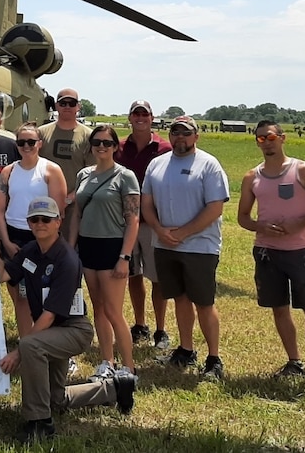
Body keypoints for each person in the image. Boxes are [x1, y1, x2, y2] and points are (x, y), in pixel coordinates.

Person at [0, 197, 137, 443]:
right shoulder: (30, 251)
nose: (40, 224)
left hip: (73, 330)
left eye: (46, 219)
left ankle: (40, 423)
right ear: (28, 223)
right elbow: (4, 274)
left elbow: (49, 315)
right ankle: (115, 389)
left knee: (30, 345)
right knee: (55, 399)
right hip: (53, 331)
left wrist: (19, 352)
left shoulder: (67, 260)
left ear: (58, 222)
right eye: (34, 219)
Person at [237, 120, 305, 391]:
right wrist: (260, 226)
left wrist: (300, 222)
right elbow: (243, 218)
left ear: (282, 138)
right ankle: (294, 362)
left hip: (300, 252)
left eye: (270, 137)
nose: (266, 142)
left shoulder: (302, 170)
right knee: (279, 309)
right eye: (260, 139)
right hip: (267, 253)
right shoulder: (252, 177)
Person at [141, 115, 230, 380]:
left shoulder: (208, 165)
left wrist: (183, 233)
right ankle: (186, 349)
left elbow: (215, 207)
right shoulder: (157, 164)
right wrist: (158, 229)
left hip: (199, 247)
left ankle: (213, 358)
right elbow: (146, 202)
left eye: (186, 133)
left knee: (204, 302)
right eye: (175, 132)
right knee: (179, 298)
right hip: (165, 244)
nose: (180, 137)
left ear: (196, 136)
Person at [68, 124, 140, 381]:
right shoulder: (83, 175)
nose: (101, 147)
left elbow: (133, 220)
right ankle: (106, 360)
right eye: (97, 142)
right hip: (88, 246)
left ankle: (129, 367)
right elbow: (77, 213)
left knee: (113, 310)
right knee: (98, 308)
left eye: (107, 143)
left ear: (115, 147)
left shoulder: (125, 176)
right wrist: (71, 246)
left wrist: (125, 257)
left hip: (113, 247)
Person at [0, 123, 67, 336]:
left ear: (39, 144)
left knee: (44, 294)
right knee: (20, 296)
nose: (26, 146)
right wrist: (6, 242)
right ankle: (27, 344)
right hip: (14, 237)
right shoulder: (8, 172)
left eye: (31, 142)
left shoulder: (51, 170)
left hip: (42, 239)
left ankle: (52, 341)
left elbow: (58, 211)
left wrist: (44, 244)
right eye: (21, 142)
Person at [115, 99, 173, 350]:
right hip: (125, 222)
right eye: (135, 113)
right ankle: (140, 324)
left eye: (144, 114)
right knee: (133, 275)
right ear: (129, 118)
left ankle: (161, 330)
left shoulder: (165, 148)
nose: (140, 117)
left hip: (152, 222)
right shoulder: (118, 148)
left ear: (152, 118)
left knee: (158, 277)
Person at [38, 88, 94, 241]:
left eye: (72, 103)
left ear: (78, 106)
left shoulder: (89, 136)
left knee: (70, 249)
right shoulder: (41, 133)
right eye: (63, 103)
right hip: (43, 203)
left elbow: (92, 173)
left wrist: (68, 199)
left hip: (74, 207)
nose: (67, 107)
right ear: (56, 106)